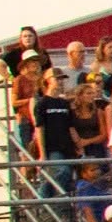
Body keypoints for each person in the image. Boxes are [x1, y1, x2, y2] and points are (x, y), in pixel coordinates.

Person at [34, 66, 75, 197]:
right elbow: (39, 128)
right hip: (52, 147)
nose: (60, 82)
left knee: (67, 176)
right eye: (57, 79)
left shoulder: (64, 103)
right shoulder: (42, 103)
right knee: (63, 171)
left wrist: (78, 144)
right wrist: (42, 153)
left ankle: (51, 200)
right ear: (48, 80)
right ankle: (47, 198)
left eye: (62, 79)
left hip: (67, 145)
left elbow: (70, 126)